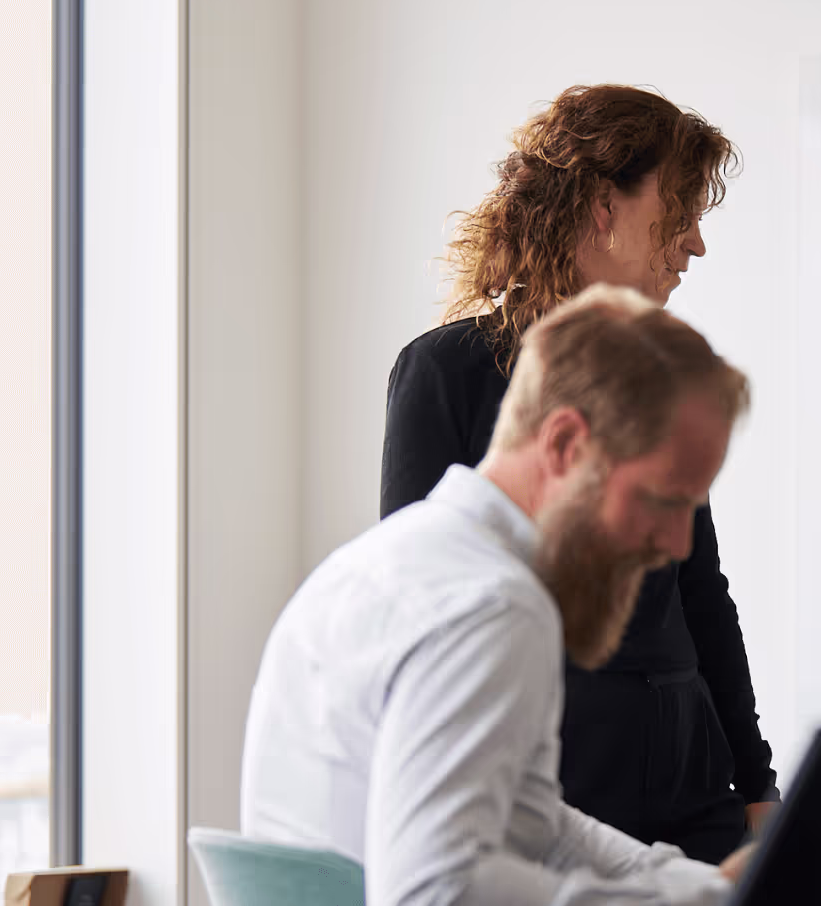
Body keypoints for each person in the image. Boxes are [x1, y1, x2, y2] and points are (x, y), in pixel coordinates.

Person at [242, 285, 753, 906]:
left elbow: (533, 821)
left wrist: (698, 883)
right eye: (663, 500)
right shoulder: (493, 606)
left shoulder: (385, 565)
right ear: (564, 445)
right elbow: (435, 892)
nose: (677, 544)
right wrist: (675, 901)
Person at [380, 84, 777, 863]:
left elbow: (700, 590)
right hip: (553, 790)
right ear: (603, 207)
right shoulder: (445, 372)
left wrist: (757, 784)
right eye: (680, 209)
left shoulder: (662, 374)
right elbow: (420, 605)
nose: (696, 243)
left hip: (694, 784)